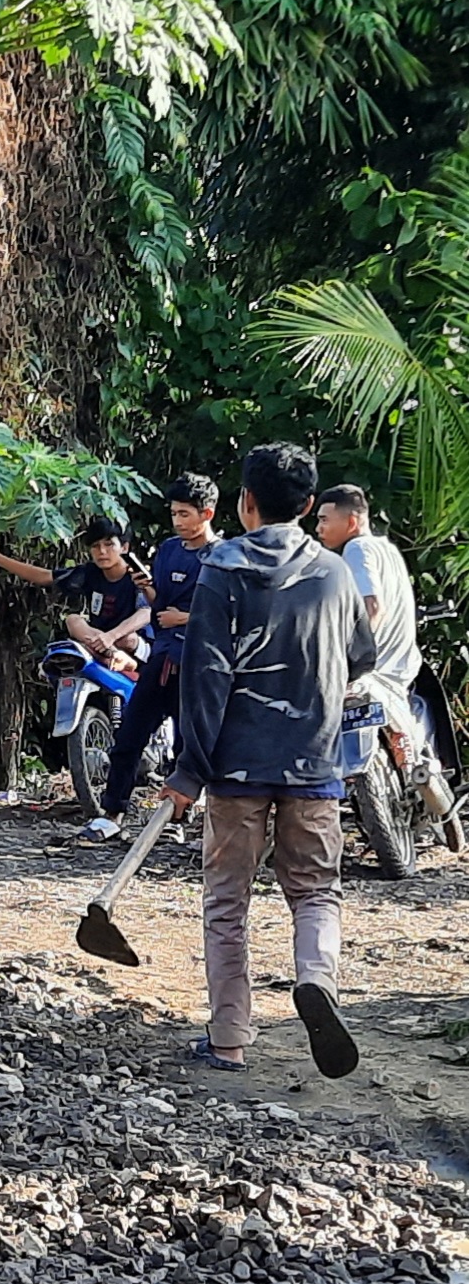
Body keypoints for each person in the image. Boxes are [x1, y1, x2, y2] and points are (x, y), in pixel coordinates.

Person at [160, 444, 375, 1080]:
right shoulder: (334, 574)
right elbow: (360, 657)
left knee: (228, 900)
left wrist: (188, 770)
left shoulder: (222, 569)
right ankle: (316, 979)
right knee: (315, 892)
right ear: (309, 507)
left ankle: (229, 1038)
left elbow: (205, 678)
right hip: (313, 763)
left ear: (245, 503)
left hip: (235, 768)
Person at [89, 472, 222, 840]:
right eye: (174, 514)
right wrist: (147, 590)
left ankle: (177, 821)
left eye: (185, 514)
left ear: (206, 514)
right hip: (161, 656)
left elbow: (233, 614)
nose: (178, 522)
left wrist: (188, 618)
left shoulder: (221, 557)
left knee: (187, 744)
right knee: (129, 735)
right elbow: (158, 607)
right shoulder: (167, 550)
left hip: (197, 664)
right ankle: (112, 812)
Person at [315, 484, 421, 764]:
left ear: (351, 521)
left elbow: (372, 608)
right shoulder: (388, 550)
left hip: (375, 670)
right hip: (402, 667)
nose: (318, 528)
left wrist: (350, 659)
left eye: (324, 519)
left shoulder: (357, 548)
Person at [0, 519, 151, 665]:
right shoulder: (89, 573)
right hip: (100, 641)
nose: (102, 552)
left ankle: (114, 654)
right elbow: (45, 576)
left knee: (125, 638)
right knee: (72, 619)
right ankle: (114, 657)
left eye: (109, 544)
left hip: (134, 642)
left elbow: (146, 612)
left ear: (124, 547)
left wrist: (111, 636)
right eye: (95, 546)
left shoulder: (137, 575)